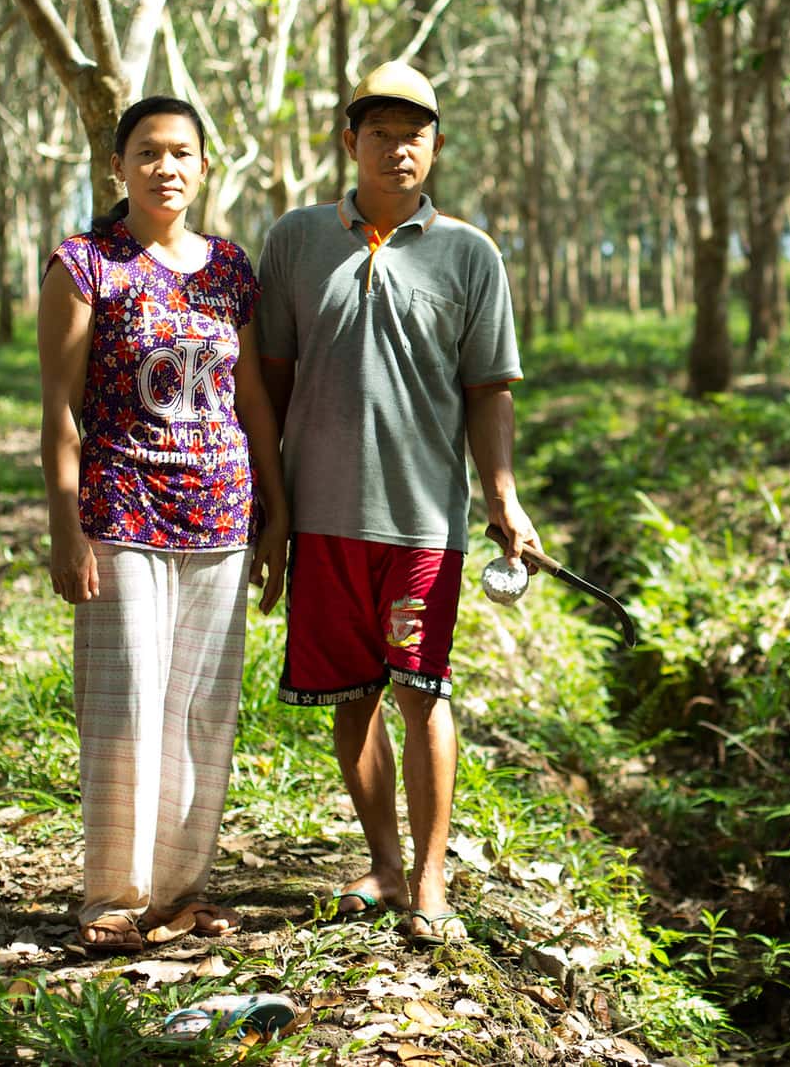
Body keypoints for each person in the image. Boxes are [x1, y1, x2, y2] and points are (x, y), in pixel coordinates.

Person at [258, 61, 540, 946]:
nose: (398, 148)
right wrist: (272, 510)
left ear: (436, 147)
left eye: (414, 134)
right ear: (351, 143)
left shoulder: (469, 253)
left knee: (424, 689)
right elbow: (266, 379)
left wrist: (502, 496)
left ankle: (429, 880)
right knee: (353, 698)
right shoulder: (297, 241)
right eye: (379, 132)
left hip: (423, 517)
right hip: (324, 516)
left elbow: (489, 388)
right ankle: (382, 859)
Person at [39, 95, 291, 955]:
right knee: (126, 703)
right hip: (122, 510)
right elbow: (59, 412)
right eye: (148, 152)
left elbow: (251, 398)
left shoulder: (229, 268)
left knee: (200, 711)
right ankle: (112, 896)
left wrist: (276, 509)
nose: (166, 167)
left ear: (205, 165)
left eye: (182, 152)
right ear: (119, 166)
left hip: (220, 515)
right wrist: (64, 527)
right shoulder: (85, 265)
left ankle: (182, 891)